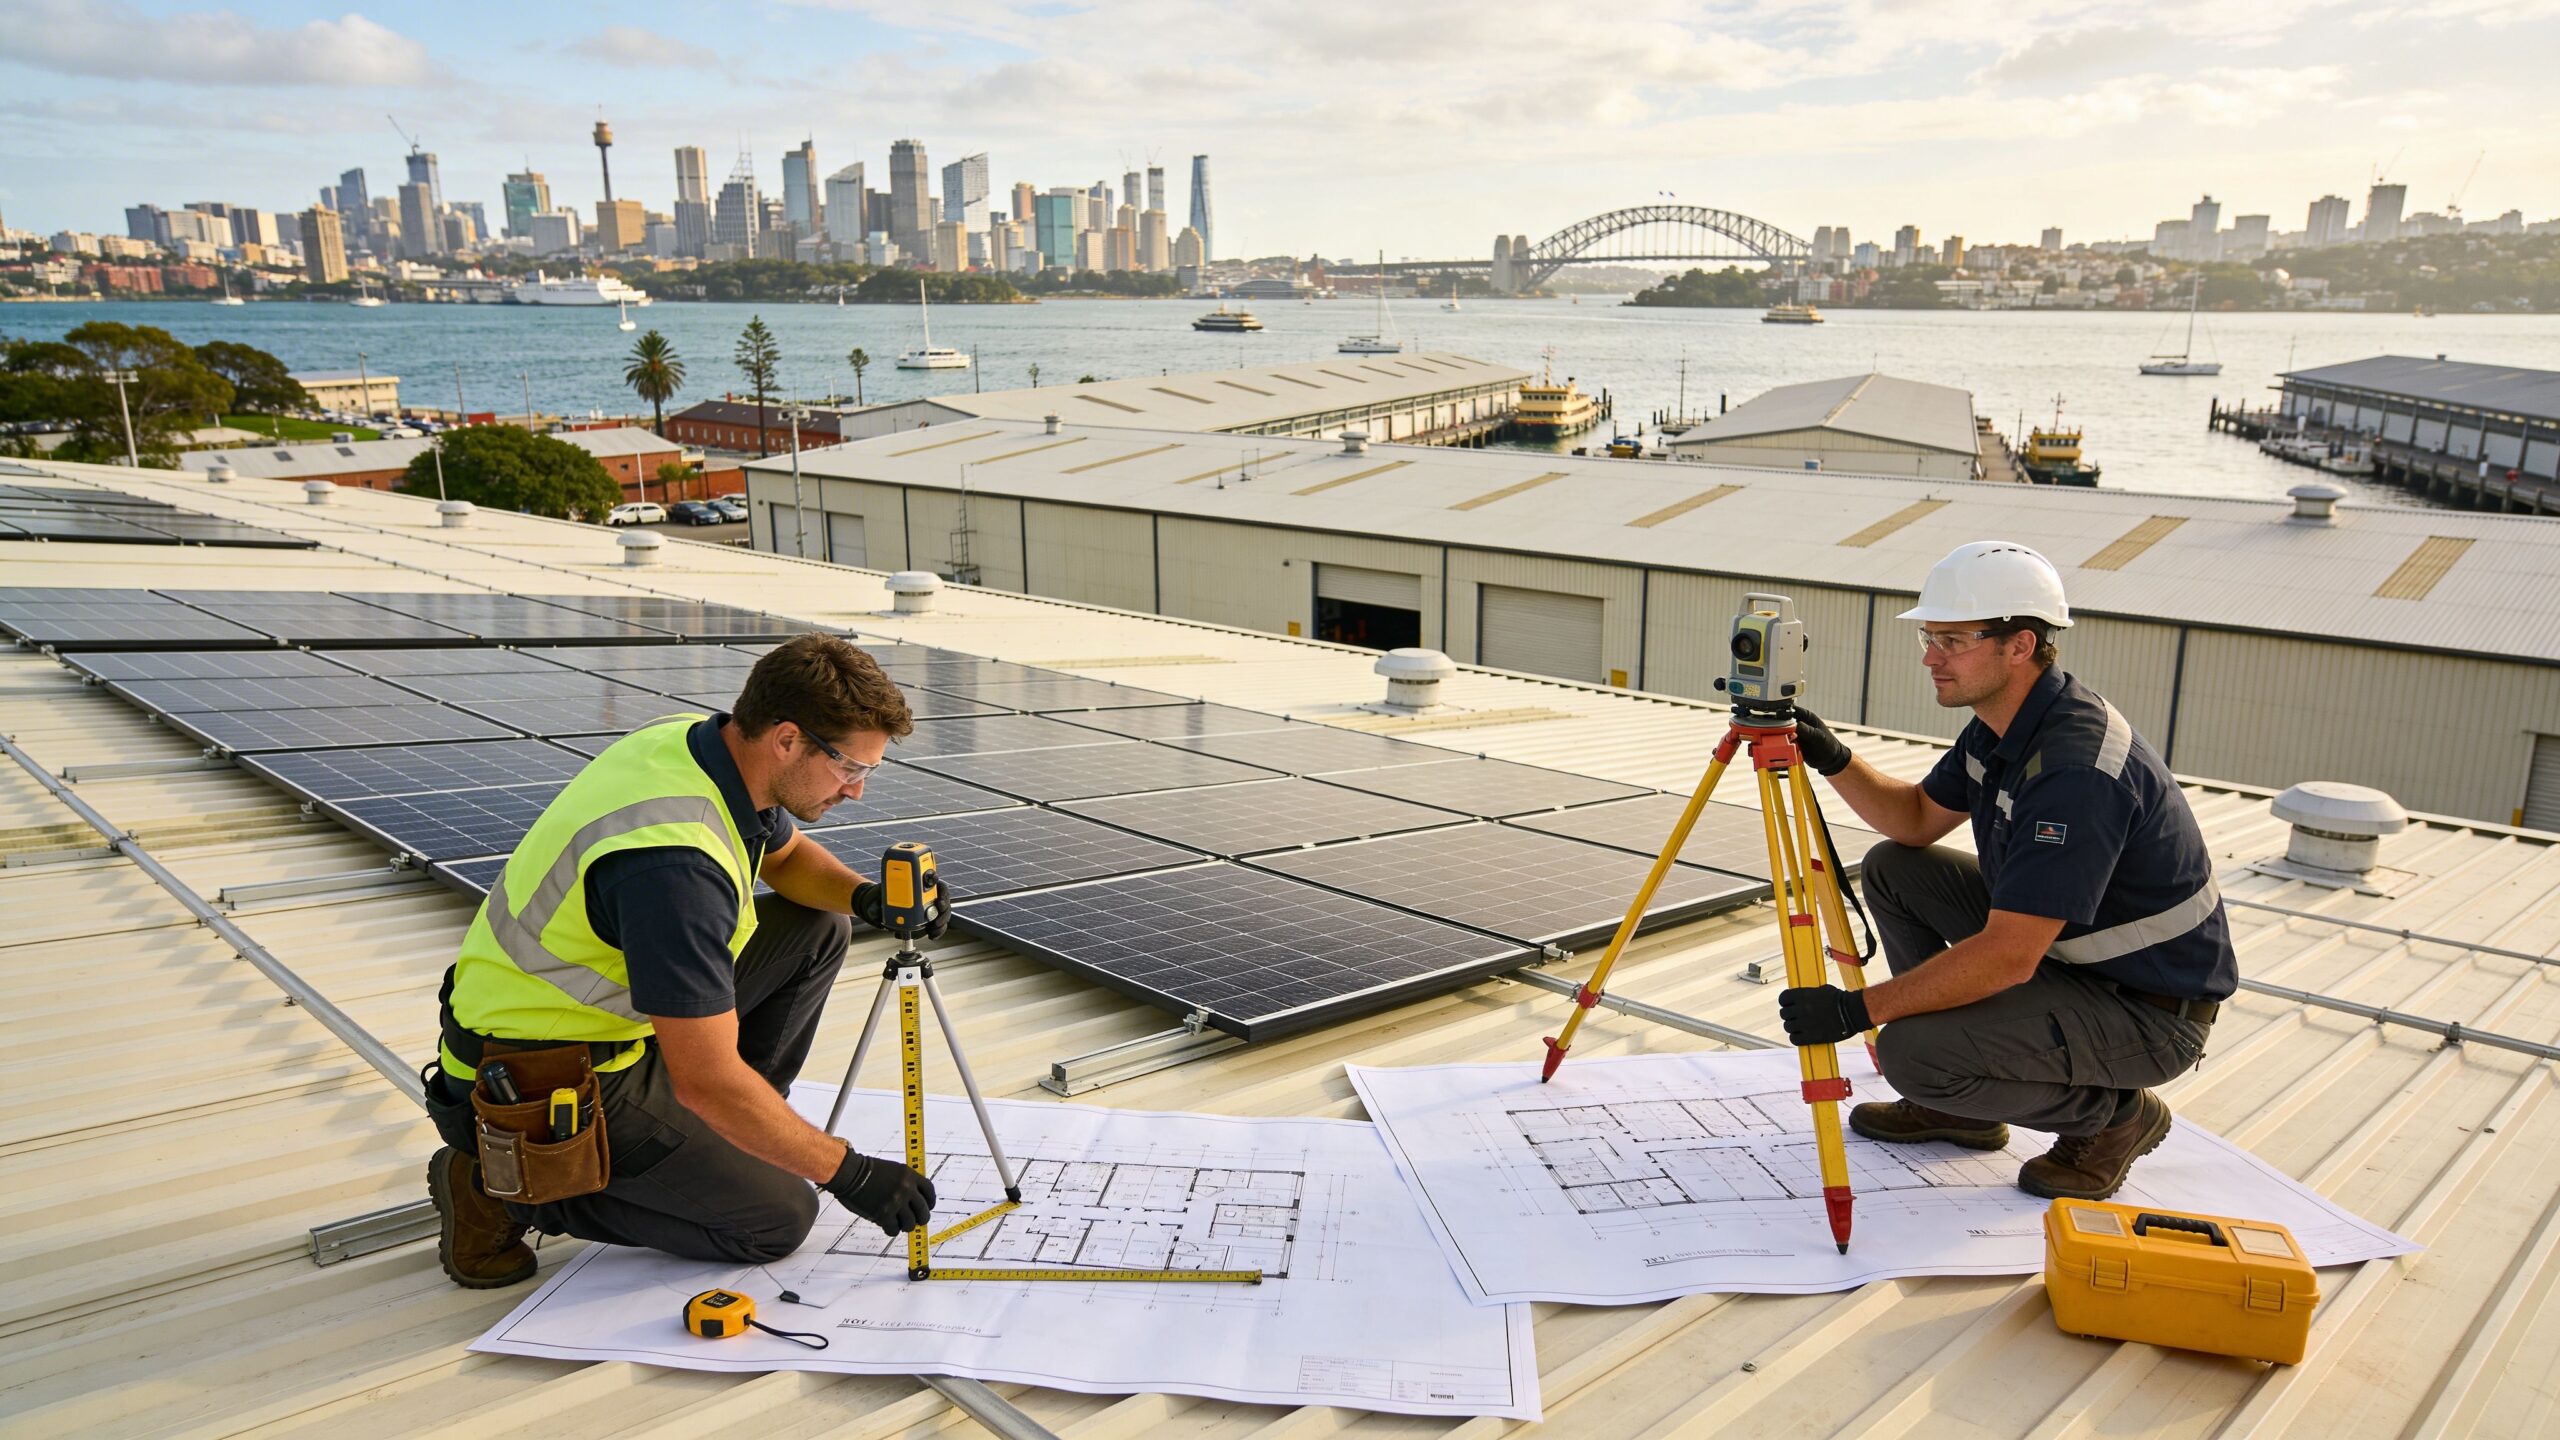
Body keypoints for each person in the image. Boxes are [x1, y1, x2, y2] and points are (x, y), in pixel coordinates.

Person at [421, 633, 949, 1287]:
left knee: (818, 925)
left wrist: (867, 898)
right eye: (850, 768)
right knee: (777, 1219)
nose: (857, 791)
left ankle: (735, 1136)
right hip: (542, 1075)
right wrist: (850, 1172)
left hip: (606, 1029)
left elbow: (784, 862)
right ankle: (501, 1185)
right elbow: (704, 1079)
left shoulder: (701, 745)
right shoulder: (674, 868)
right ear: (787, 739)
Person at [1775, 541, 2234, 1201]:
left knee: (1911, 1054)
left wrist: (1854, 1010)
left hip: (2147, 1013)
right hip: (2073, 965)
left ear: (2020, 645)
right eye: (1930, 637)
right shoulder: (2003, 725)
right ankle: (1963, 1105)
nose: (1931, 656)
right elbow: (1913, 822)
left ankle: (2117, 1118)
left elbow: (2010, 956)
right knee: (1896, 869)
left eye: (1952, 639)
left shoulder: (2073, 767)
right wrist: (1833, 757)